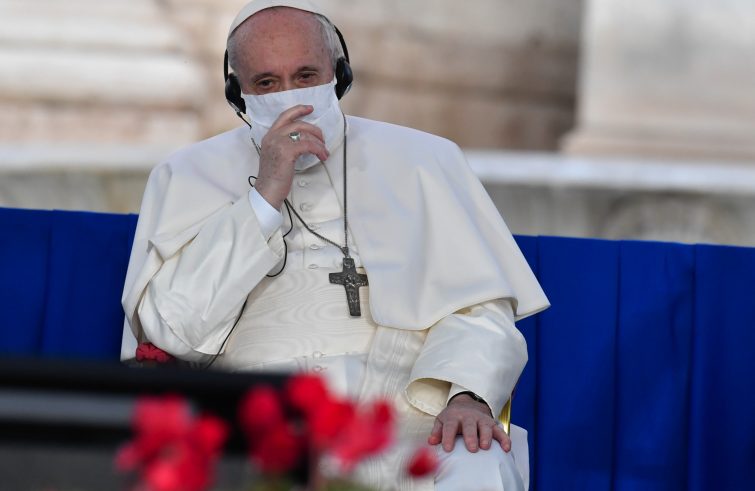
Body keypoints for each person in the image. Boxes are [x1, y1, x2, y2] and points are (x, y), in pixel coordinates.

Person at [120, 0, 549, 489]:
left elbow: (480, 310)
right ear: (237, 94)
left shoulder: (423, 159)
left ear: (339, 74)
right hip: (263, 426)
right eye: (266, 83)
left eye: (306, 76)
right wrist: (263, 198)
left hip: (410, 420)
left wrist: (467, 395)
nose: (290, 96)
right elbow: (169, 332)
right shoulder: (184, 175)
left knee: (478, 463)